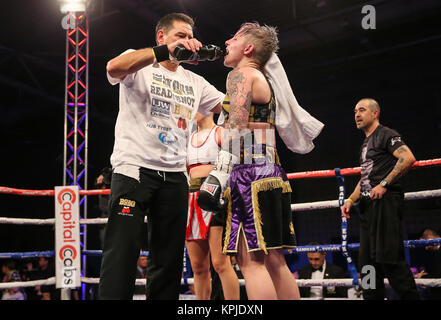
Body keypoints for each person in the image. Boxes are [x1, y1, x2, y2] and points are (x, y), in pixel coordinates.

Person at [98, 12, 225, 300]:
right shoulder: (140, 62)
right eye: (180, 35)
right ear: (161, 36)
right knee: (123, 252)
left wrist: (250, 73)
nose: (187, 41)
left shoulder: (195, 81)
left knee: (168, 260)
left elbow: (230, 106)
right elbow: (114, 67)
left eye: (190, 36)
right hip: (134, 170)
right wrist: (163, 53)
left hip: (175, 178)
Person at [198, 22, 323, 299]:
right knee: (274, 262)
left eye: (234, 38)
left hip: (247, 174)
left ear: (248, 48)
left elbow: (237, 128)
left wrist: (218, 173)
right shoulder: (261, 77)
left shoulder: (241, 75)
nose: (226, 43)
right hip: (270, 170)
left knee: (250, 263)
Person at [341, 98, 420, 300]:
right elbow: (366, 177)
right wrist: (350, 199)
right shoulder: (366, 143)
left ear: (375, 113)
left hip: (385, 205)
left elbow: (408, 158)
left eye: (362, 110)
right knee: (367, 264)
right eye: (355, 111)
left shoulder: (386, 134)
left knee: (390, 260)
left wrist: (384, 184)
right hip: (368, 208)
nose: (357, 114)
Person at [185, 112, 239, 300]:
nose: (192, 111)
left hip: (215, 195)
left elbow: (232, 165)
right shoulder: (187, 138)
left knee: (220, 263)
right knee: (198, 267)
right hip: (191, 199)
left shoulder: (221, 133)